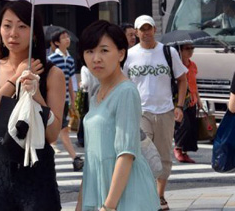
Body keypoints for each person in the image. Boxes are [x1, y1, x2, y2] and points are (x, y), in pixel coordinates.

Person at [0, 0, 65, 211]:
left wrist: (37, 95)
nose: (13, 33)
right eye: (7, 25)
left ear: (34, 33)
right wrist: (15, 79)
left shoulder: (52, 74)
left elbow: (52, 134)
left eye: (22, 26)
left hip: (37, 171)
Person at [75, 20, 160, 211]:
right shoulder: (97, 93)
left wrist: (109, 206)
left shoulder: (126, 92)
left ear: (121, 54)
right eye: (89, 51)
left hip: (125, 196)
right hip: (98, 190)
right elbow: (91, 159)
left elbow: (126, 153)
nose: (96, 58)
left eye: (104, 50)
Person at [123, 15, 188, 211]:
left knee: (163, 156)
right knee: (143, 154)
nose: (146, 32)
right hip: (140, 111)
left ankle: (159, 195)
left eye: (149, 28)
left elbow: (182, 79)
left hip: (166, 110)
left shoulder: (168, 52)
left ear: (154, 30)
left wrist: (180, 106)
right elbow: (123, 83)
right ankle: (147, 192)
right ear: (136, 32)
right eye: (142, 29)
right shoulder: (129, 55)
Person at [48, 29, 84, 171]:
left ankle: (74, 158)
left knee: (63, 130)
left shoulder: (69, 59)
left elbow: (70, 80)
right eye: (63, 38)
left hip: (65, 101)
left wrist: (73, 102)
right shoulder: (51, 60)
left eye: (67, 37)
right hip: (54, 101)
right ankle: (75, 158)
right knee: (62, 130)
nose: (67, 39)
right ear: (57, 42)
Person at [173, 44, 203, 163]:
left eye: (192, 48)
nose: (190, 51)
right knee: (184, 125)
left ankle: (184, 152)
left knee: (191, 127)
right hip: (181, 99)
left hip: (192, 100)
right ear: (180, 50)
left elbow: (194, 84)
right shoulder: (177, 65)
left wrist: (199, 99)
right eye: (187, 49)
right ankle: (178, 148)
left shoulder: (193, 65)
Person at [76, 65, 99, 147]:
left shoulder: (84, 68)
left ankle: (82, 139)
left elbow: (85, 83)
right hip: (99, 94)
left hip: (88, 96)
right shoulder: (99, 66)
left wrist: (81, 84)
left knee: (84, 117)